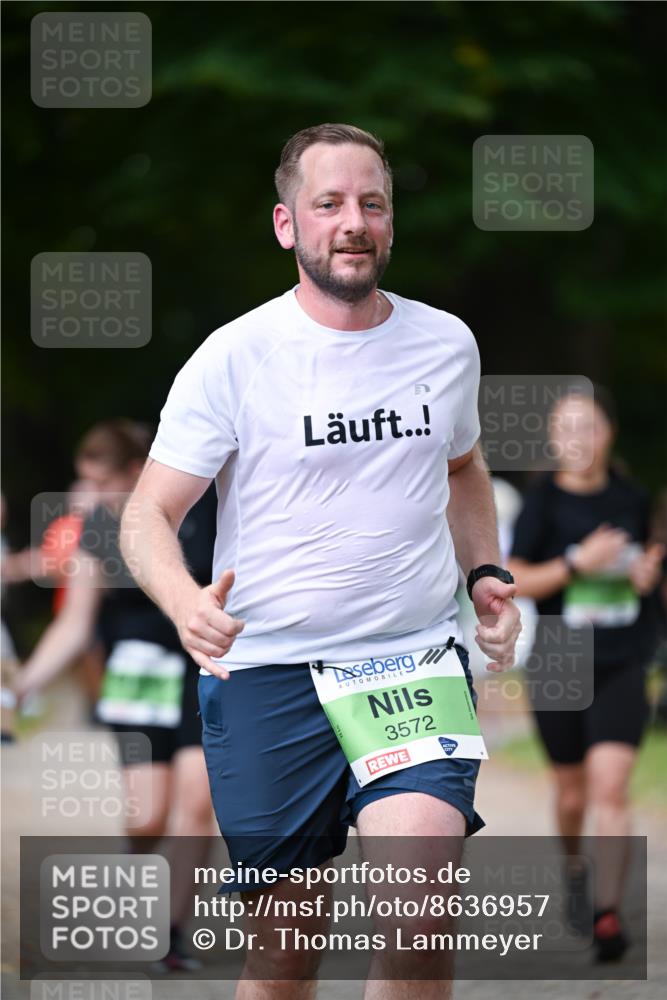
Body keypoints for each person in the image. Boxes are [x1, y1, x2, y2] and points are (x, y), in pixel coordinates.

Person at [120, 123, 521, 1000]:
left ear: (389, 222)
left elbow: (460, 466)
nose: (352, 222)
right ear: (285, 224)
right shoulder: (234, 357)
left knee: (419, 923)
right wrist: (184, 599)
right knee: (284, 956)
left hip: (406, 658)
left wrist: (484, 572)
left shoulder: (444, 344)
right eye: (328, 204)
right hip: (267, 672)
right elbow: (148, 512)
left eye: (370, 203)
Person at [16, 420, 217, 972]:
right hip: (136, 685)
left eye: (103, 482)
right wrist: (23, 684)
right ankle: (142, 869)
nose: (93, 495)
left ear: (137, 470)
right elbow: (75, 624)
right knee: (147, 814)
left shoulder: (206, 511)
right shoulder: (97, 529)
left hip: (207, 676)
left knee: (194, 805)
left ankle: (169, 936)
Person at [507, 387, 664, 961]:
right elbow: (516, 578)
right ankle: (575, 865)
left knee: (611, 787)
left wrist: (646, 573)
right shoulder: (542, 503)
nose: (578, 438)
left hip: (623, 657)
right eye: (566, 428)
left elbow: (646, 568)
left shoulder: (631, 498)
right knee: (572, 793)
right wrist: (578, 563)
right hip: (559, 659)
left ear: (609, 433)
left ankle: (606, 915)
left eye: (589, 426)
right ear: (552, 439)